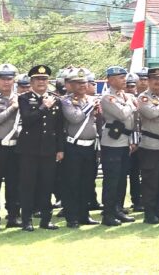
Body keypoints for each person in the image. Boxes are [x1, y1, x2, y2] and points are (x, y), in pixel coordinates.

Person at [17, 65, 65, 231]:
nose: (41, 82)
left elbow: (59, 127)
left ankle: (46, 219)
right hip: (29, 150)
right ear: (31, 82)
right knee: (28, 185)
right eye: (37, 79)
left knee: (47, 185)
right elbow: (27, 119)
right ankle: (27, 220)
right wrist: (43, 107)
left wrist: (60, 149)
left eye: (44, 79)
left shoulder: (55, 99)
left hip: (49, 150)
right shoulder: (25, 98)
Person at [61, 68, 101, 228]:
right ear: (70, 85)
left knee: (87, 182)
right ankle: (72, 217)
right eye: (78, 83)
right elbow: (74, 117)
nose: (82, 85)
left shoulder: (91, 99)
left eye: (84, 82)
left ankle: (84, 214)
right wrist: (91, 106)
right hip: (73, 146)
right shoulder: (66, 101)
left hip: (90, 146)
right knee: (72, 183)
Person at [100, 67, 138, 226]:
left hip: (124, 141)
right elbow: (122, 114)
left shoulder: (124, 96)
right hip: (112, 143)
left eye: (124, 77)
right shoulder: (107, 98)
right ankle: (108, 214)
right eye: (120, 77)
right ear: (110, 80)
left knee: (122, 179)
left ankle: (118, 209)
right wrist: (131, 103)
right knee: (112, 179)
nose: (124, 80)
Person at [137, 68, 159, 224]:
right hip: (151, 145)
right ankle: (149, 212)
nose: (158, 82)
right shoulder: (144, 97)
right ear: (148, 81)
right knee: (150, 180)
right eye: (155, 79)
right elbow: (151, 113)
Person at [0, 63, 20, 230]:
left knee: (15, 183)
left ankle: (13, 216)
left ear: (14, 80)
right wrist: (13, 107)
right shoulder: (14, 102)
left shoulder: (22, 98)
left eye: (9, 78)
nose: (6, 82)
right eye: (3, 78)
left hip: (16, 148)